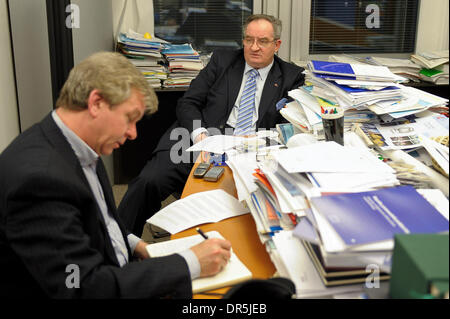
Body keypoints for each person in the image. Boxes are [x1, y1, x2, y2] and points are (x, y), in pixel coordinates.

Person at [0, 52, 231, 298]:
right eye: (129, 119)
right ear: (96, 103)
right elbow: (84, 287)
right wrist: (190, 263)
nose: (133, 134)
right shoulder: (40, 181)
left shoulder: (78, 146)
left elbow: (101, 221)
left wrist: (135, 244)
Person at [118, 14, 305, 235]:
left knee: (252, 204)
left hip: (251, 149)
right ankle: (121, 244)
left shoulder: (292, 77)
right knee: (148, 181)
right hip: (202, 138)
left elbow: (289, 127)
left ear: (277, 45)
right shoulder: (222, 61)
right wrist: (200, 135)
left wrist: (255, 141)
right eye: (249, 40)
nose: (254, 47)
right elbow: (189, 102)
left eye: (263, 41)